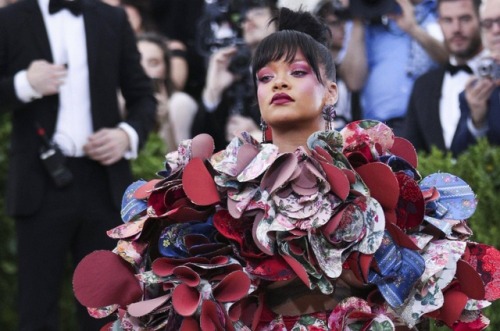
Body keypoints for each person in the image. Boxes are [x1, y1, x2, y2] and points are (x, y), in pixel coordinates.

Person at [72, 6, 500, 331]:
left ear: (331, 91)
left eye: (296, 72)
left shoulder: (374, 175)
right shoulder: (222, 180)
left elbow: (424, 281)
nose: (278, 83)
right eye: (264, 76)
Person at [0, 0, 156, 329]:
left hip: (103, 180)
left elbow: (143, 95)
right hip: (39, 181)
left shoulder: (112, 18)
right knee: (36, 307)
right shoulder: (10, 18)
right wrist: (24, 83)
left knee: (106, 308)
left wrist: (127, 136)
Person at [340, 0, 448, 135]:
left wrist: (413, 29)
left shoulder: (440, 9)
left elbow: (455, 60)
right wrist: (358, 16)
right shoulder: (364, 21)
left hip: (430, 124)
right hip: (379, 129)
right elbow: (353, 82)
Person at [191, 0, 278, 151]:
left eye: (258, 13)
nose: (249, 19)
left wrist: (259, 134)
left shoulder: (292, 74)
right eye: (244, 18)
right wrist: (213, 91)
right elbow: (200, 142)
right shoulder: (236, 75)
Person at [402, 0, 485, 155]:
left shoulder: (496, 76)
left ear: (481, 20)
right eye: (448, 20)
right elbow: (412, 156)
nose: (456, 29)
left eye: (465, 19)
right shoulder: (423, 86)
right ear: (439, 23)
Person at [137, 32, 198, 151]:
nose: (144, 70)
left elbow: (180, 165)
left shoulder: (179, 104)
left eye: (153, 63)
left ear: (166, 70)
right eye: (137, 62)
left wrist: (165, 122)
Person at [453, 0, 500, 150]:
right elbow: (456, 160)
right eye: (487, 24)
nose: (496, 30)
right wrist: (477, 122)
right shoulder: (475, 92)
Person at [314, 0, 358, 130]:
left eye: (346, 22)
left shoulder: (359, 62)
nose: (344, 28)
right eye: (335, 23)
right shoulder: (313, 68)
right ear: (321, 26)